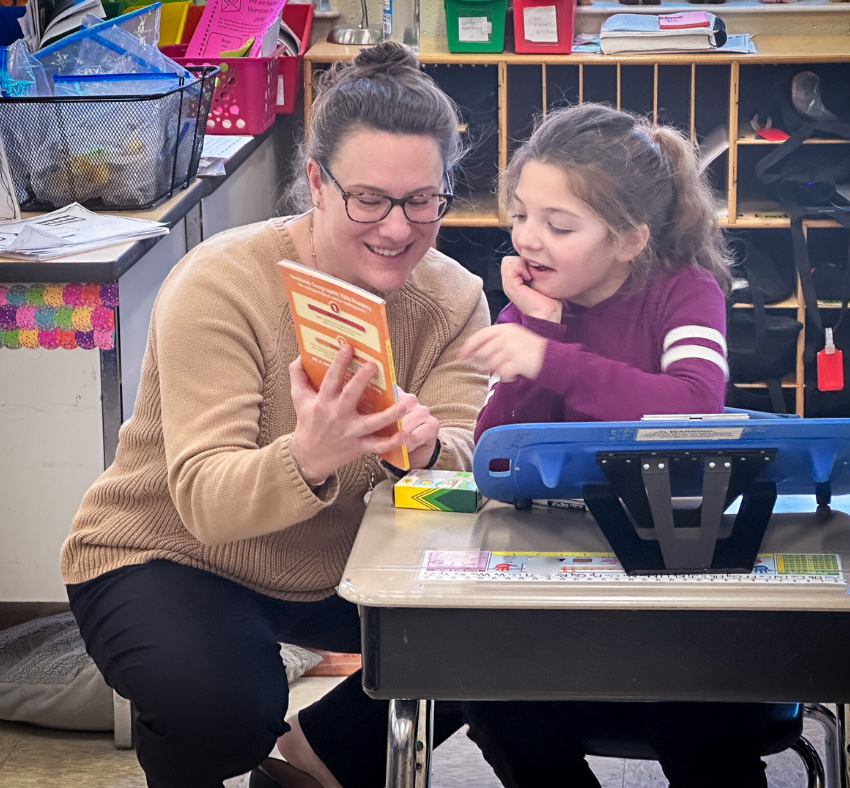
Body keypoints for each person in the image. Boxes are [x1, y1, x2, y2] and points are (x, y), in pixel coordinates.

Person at [60, 42, 489, 788]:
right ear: (317, 184)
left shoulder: (453, 299)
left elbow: (465, 468)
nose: (397, 228)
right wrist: (311, 454)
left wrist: (429, 454)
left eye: (422, 200)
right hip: (172, 552)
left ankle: (324, 752)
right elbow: (202, 498)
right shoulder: (221, 283)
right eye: (370, 200)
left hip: (345, 566)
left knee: (509, 632)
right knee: (221, 710)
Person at [459, 102, 778, 788]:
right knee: (491, 701)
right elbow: (499, 456)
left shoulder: (684, 292)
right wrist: (539, 329)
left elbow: (696, 408)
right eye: (520, 215)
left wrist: (552, 361)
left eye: (559, 225)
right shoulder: (532, 309)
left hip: (680, 591)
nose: (528, 240)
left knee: (698, 721)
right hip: (566, 588)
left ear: (629, 240)